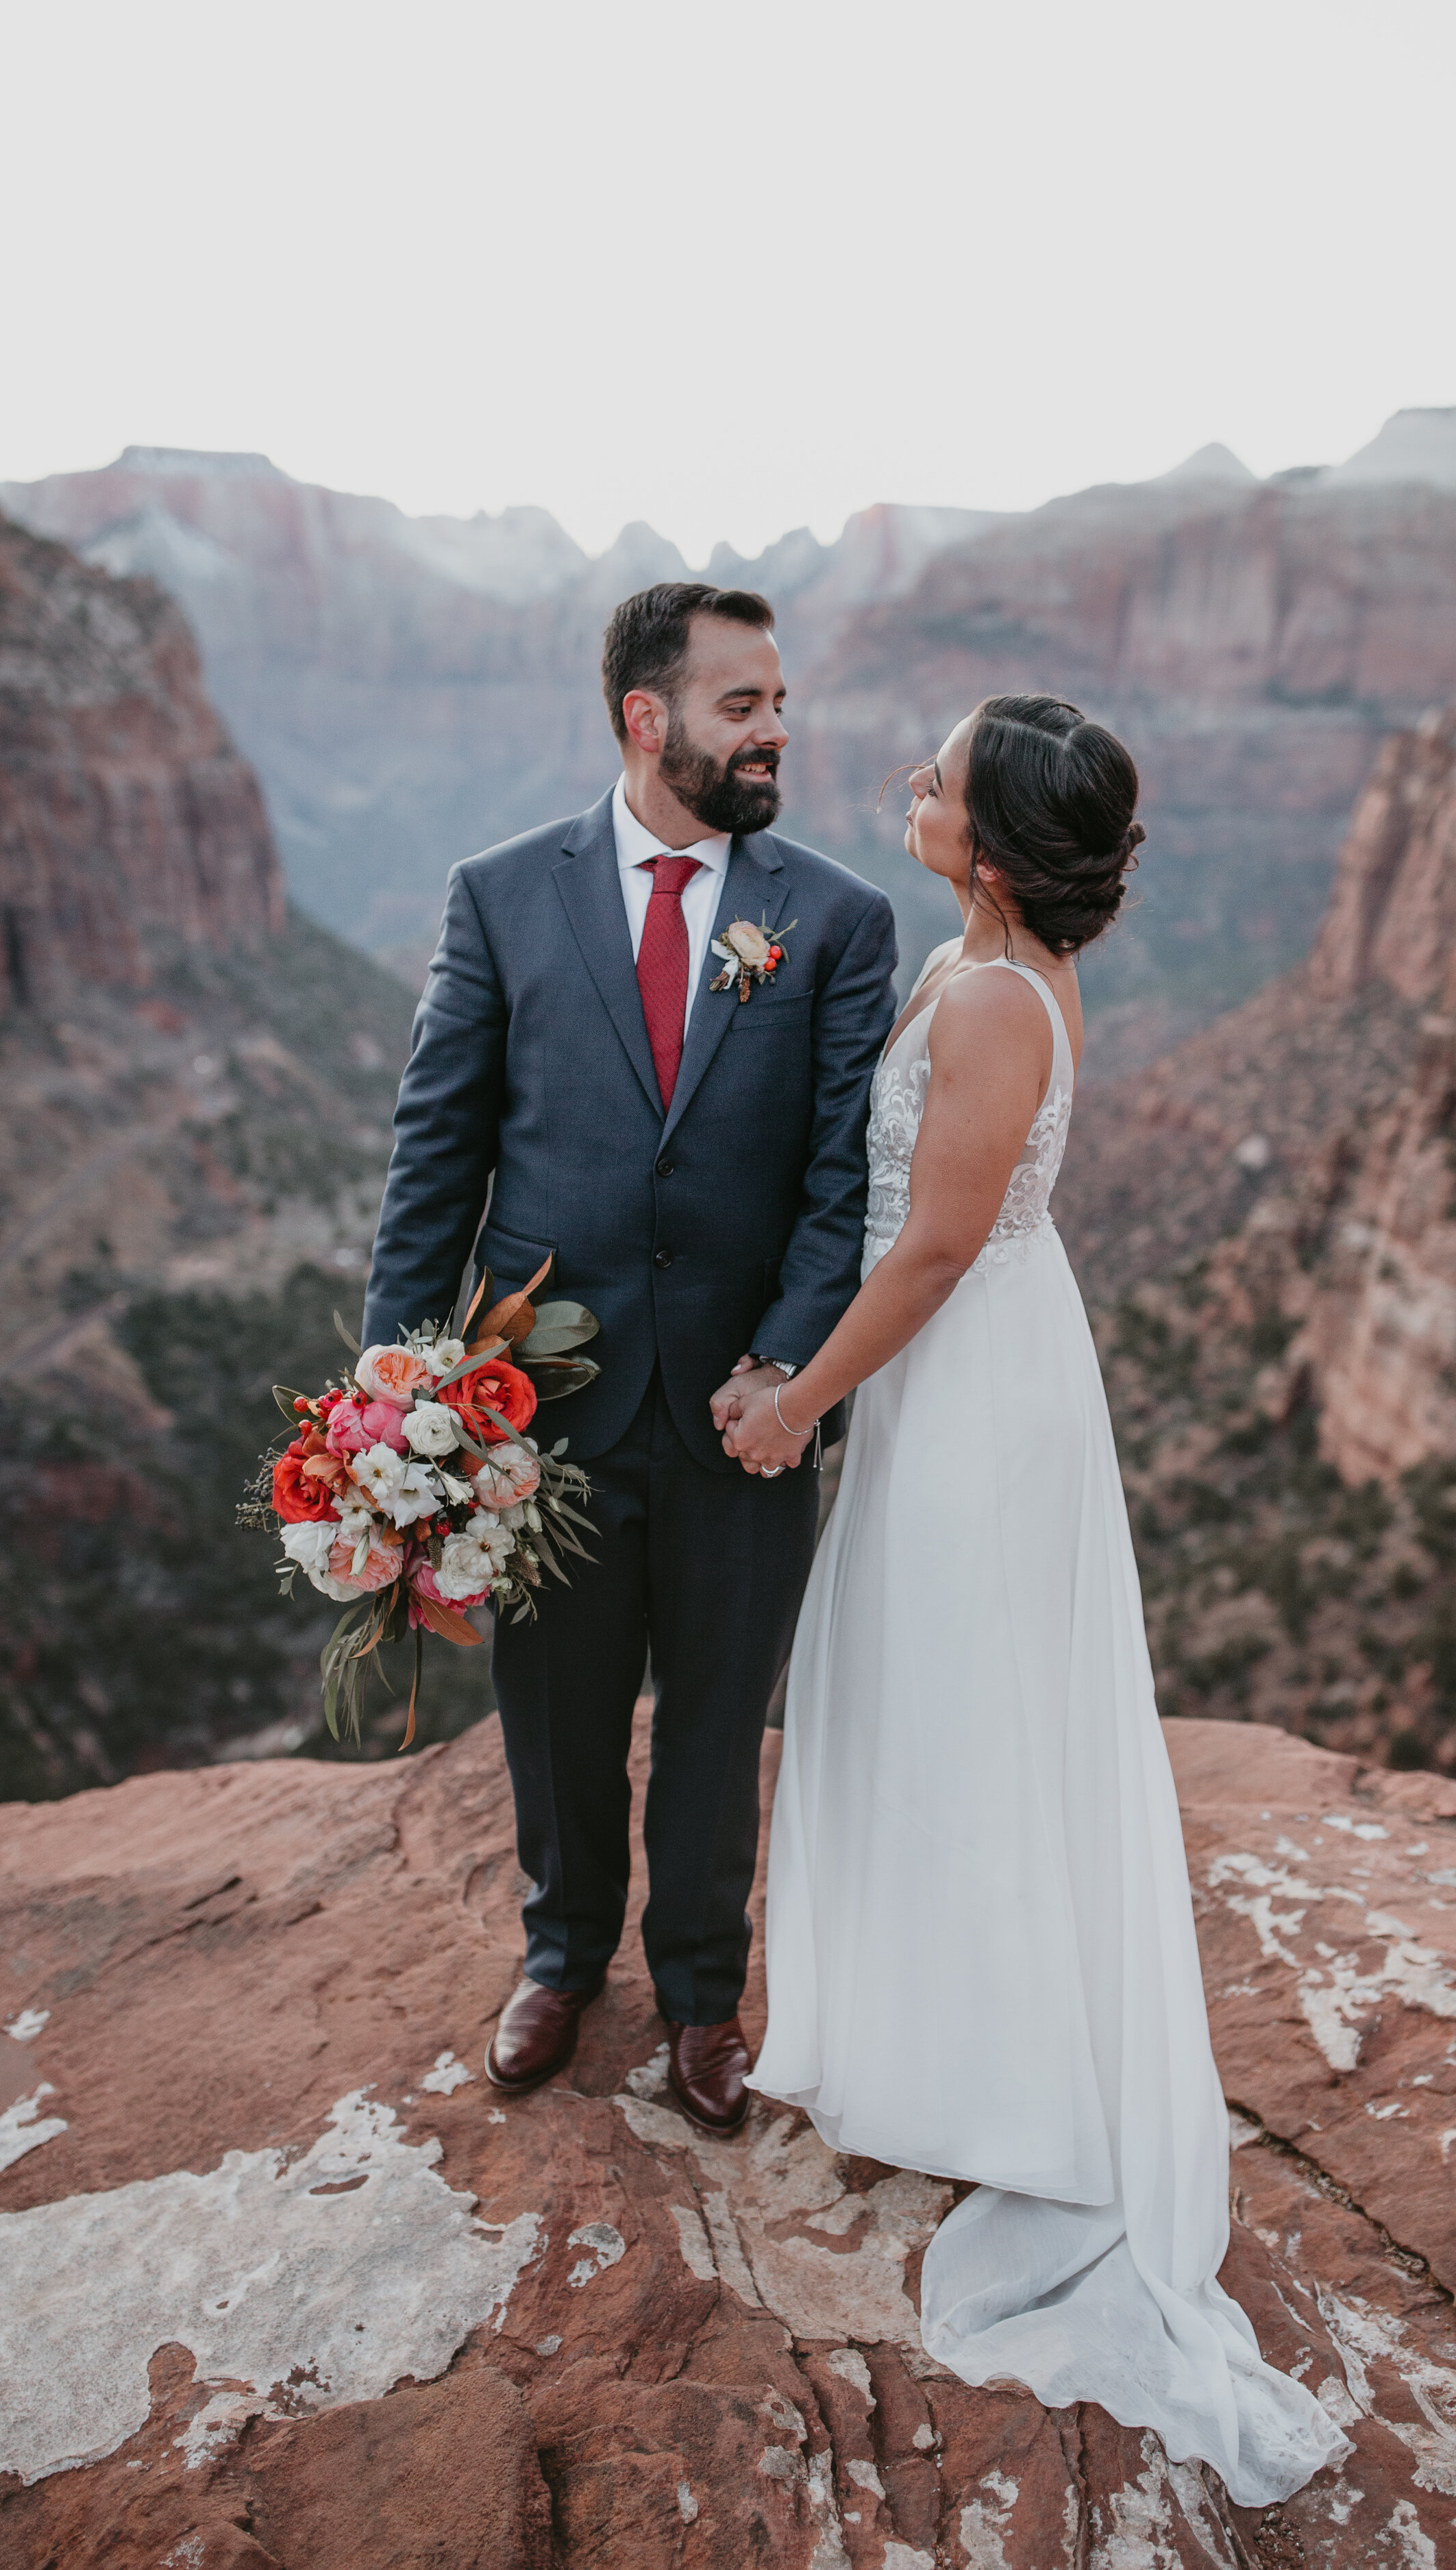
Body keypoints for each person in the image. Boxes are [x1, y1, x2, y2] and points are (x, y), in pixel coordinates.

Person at [717, 696, 1348, 2504]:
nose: (904, 786)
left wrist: (796, 1399)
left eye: (935, 778)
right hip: (970, 1366)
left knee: (959, 1709)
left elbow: (930, 1241)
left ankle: (994, 2080)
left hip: (970, 1388)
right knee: (930, 1700)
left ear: (990, 851)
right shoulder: (983, 955)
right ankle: (936, 2031)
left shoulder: (995, 994)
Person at [361, 582, 897, 2133]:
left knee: (720, 1722)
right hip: (540, 1409)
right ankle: (560, 1955)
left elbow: (839, 1184)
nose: (775, 730)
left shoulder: (834, 917)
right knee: (558, 1710)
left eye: (778, 701)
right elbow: (436, 1153)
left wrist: (787, 1370)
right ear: (644, 720)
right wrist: (403, 1399)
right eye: (743, 706)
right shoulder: (499, 894)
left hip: (746, 1415)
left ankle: (703, 2000)